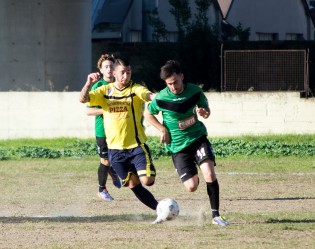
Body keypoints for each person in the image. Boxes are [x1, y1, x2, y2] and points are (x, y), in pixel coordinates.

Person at [144, 60, 229, 226]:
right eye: (169, 84)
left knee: (210, 174)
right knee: (191, 187)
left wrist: (204, 112)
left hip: (197, 139)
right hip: (177, 147)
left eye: (175, 82)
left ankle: (216, 216)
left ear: (181, 76)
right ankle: (192, 176)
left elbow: (206, 110)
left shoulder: (195, 91)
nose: (173, 87)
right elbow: (148, 114)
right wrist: (163, 129)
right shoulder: (161, 97)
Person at [80, 57, 159, 216]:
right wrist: (88, 83)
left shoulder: (135, 89)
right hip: (115, 150)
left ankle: (142, 172)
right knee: (132, 184)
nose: (126, 76)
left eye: (128, 72)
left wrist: (158, 97)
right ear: (114, 73)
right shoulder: (104, 91)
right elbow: (83, 99)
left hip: (136, 146)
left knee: (147, 180)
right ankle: (160, 210)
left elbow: (148, 95)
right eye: (123, 72)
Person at [86, 53, 121, 201]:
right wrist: (107, 110)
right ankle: (102, 190)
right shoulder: (98, 86)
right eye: (105, 66)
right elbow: (89, 110)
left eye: (111, 66)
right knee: (105, 160)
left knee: (119, 156)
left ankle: (112, 170)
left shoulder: (119, 85)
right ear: (100, 70)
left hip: (118, 129)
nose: (109, 69)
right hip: (103, 130)